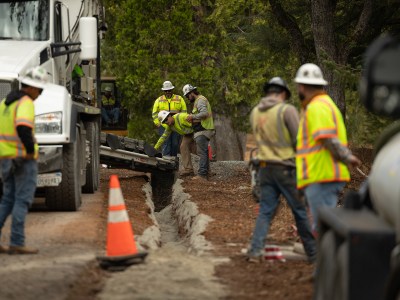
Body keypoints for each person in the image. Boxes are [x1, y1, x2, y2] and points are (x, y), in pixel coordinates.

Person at [246, 77, 316, 263]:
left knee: (266, 211)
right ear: (283, 93)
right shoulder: (287, 110)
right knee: (299, 211)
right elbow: (299, 140)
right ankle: (313, 253)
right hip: (285, 168)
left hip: (264, 169)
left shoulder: (255, 113)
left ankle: (255, 250)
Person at [294, 63, 361, 233]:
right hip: (323, 175)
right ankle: (320, 254)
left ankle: (322, 257)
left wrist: (347, 157)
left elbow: (327, 139)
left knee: (322, 227)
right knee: (322, 224)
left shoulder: (317, 107)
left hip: (322, 175)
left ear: (301, 87)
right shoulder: (323, 105)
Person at [0, 66, 48, 254]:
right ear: (33, 88)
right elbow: (23, 128)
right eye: (40, 90)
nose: (39, 94)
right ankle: (17, 242)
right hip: (22, 158)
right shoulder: (26, 102)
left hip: (5, 158)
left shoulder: (5, 103)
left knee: (7, 200)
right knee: (23, 200)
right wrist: (29, 151)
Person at [183, 84, 215, 181]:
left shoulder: (200, 100)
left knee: (202, 153)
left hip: (203, 130)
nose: (188, 98)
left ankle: (202, 175)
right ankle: (207, 173)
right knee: (203, 152)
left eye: (188, 95)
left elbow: (204, 113)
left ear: (192, 93)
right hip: (202, 129)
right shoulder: (199, 100)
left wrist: (192, 117)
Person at [152, 81, 187, 156]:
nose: (168, 92)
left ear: (172, 90)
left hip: (176, 125)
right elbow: (154, 113)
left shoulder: (179, 99)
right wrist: (158, 123)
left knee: (175, 143)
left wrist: (182, 122)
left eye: (169, 90)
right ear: (164, 91)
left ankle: (173, 160)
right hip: (164, 126)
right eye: (166, 91)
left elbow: (184, 112)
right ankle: (165, 161)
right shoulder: (159, 100)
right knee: (166, 143)